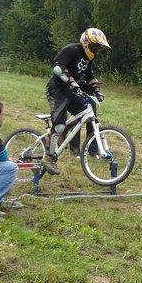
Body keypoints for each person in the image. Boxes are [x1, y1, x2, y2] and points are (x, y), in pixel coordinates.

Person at [43, 28, 110, 175]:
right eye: (95, 47)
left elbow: (89, 75)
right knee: (59, 126)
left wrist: (97, 92)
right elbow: (58, 69)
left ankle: (66, 131)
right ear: (86, 42)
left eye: (98, 48)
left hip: (71, 90)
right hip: (57, 89)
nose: (96, 50)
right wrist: (71, 82)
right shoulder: (72, 49)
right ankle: (48, 157)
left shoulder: (87, 58)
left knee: (86, 112)